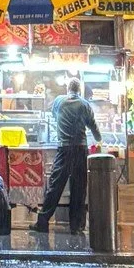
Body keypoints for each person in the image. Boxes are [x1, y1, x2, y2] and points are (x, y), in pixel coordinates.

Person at [32, 79, 99, 234]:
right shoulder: (84, 104)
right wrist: (99, 139)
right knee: (79, 187)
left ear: (68, 89)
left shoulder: (58, 101)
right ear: (79, 90)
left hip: (64, 148)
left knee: (55, 186)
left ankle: (42, 222)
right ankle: (76, 226)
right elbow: (93, 126)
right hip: (80, 148)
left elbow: (55, 116)